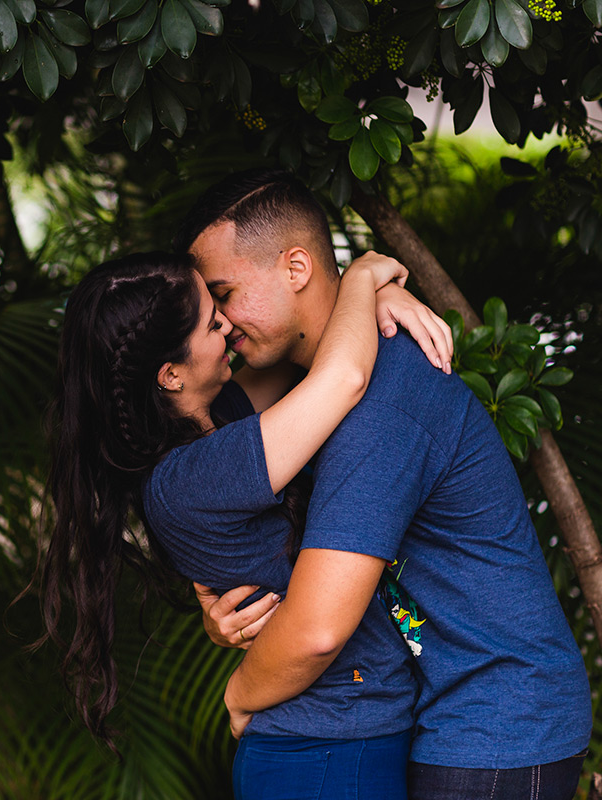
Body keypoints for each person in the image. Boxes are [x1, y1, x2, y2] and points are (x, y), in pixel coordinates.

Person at [178, 168, 592, 800]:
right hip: (454, 716)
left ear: (296, 268)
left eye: (226, 294)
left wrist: (241, 692)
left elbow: (319, 628)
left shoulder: (384, 403)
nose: (223, 321)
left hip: (498, 723)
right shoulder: (314, 393)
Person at [37, 246, 452, 799]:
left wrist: (383, 299)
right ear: (170, 375)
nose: (229, 323)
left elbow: (311, 337)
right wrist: (363, 275)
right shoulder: (194, 476)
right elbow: (344, 374)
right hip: (321, 754)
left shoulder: (222, 414)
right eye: (213, 322)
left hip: (343, 735)